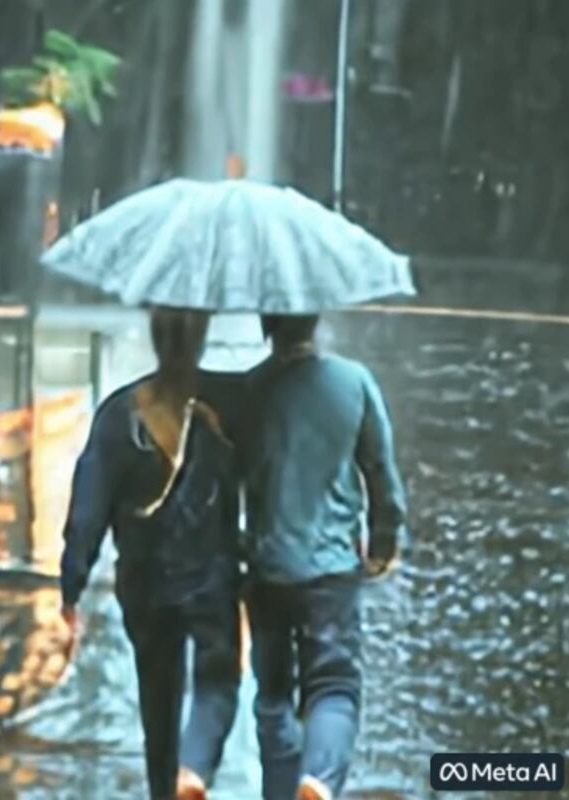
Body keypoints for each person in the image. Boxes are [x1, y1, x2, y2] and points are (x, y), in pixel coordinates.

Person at [60, 308, 241, 800]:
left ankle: (165, 787)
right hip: (211, 578)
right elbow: (256, 484)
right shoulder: (225, 407)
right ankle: (195, 769)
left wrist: (72, 586)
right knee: (217, 680)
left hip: (144, 582)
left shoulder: (121, 413)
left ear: (155, 338)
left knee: (157, 700)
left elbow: (89, 507)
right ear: (202, 338)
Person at [241, 314, 408, 800]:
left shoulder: (251, 391)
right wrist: (381, 544)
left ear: (266, 323)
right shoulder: (353, 382)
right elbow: (380, 472)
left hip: (268, 567)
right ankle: (318, 781)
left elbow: (227, 483)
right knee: (333, 686)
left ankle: (279, 792)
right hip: (332, 570)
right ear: (315, 319)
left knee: (273, 697)